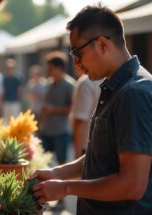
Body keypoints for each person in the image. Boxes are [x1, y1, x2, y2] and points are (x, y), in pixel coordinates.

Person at [30, 5, 152, 214]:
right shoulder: (114, 85)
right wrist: (57, 173)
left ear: (103, 44)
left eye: (77, 52)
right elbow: (101, 155)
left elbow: (131, 185)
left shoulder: (134, 93)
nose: (76, 62)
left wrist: (66, 187)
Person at [39, 51, 75, 165]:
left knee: (61, 163)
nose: (47, 71)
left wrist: (53, 110)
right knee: (44, 162)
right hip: (46, 130)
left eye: (50, 68)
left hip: (61, 131)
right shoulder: (48, 84)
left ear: (59, 68)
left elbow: (72, 108)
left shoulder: (70, 85)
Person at [69, 63, 101, 158]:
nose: (74, 64)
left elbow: (80, 120)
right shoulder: (112, 77)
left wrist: (77, 155)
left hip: (88, 147)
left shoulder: (86, 82)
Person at [2, 58, 22, 123]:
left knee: (15, 119)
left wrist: (19, 101)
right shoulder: (4, 78)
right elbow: (3, 91)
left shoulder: (17, 78)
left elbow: (20, 90)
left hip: (15, 101)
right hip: (6, 101)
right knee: (6, 119)